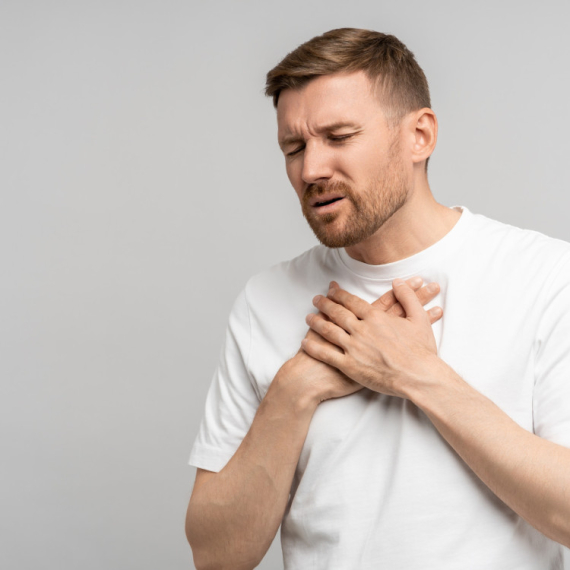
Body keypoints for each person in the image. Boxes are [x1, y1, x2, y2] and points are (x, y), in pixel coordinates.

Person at [185, 28, 570, 569]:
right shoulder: (264, 302)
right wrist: (294, 391)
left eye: (339, 137)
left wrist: (418, 375)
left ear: (419, 136)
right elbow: (216, 557)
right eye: (294, 148)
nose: (311, 169)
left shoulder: (546, 277)